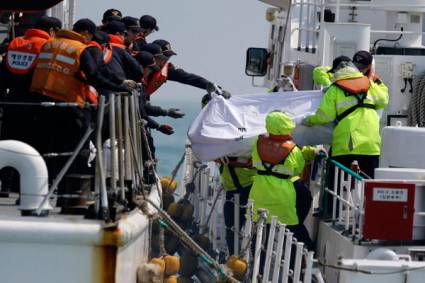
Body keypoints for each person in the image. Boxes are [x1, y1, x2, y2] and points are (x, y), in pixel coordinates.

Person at [303, 60, 389, 178]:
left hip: (346, 145)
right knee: (368, 186)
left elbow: (326, 116)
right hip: (371, 145)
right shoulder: (370, 84)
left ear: (336, 72)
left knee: (336, 185)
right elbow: (383, 100)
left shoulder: (334, 89)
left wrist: (308, 120)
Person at [250, 111, 315, 251]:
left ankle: (258, 263)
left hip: (259, 191)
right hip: (282, 194)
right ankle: (304, 253)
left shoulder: (257, 144)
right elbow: (298, 167)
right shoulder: (293, 150)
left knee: (261, 229)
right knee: (291, 226)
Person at [0, 16, 62, 142]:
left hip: (11, 103)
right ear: (51, 31)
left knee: (8, 144)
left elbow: (2, 74)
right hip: (35, 105)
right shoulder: (49, 46)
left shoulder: (16, 42)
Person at [140, 42, 231, 98]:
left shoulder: (166, 70)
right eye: (164, 56)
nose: (166, 60)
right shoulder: (137, 64)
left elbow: (189, 78)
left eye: (168, 57)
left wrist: (215, 89)